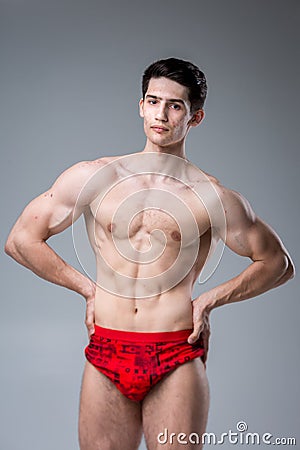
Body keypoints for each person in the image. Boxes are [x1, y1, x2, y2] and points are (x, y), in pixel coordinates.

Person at [5, 57, 294, 450]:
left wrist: (210, 299)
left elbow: (278, 264)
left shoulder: (212, 196)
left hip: (175, 351)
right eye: (153, 101)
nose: (161, 114)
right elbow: (21, 239)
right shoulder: (95, 177)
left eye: (175, 105)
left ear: (196, 117)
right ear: (141, 105)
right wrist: (87, 290)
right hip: (106, 347)